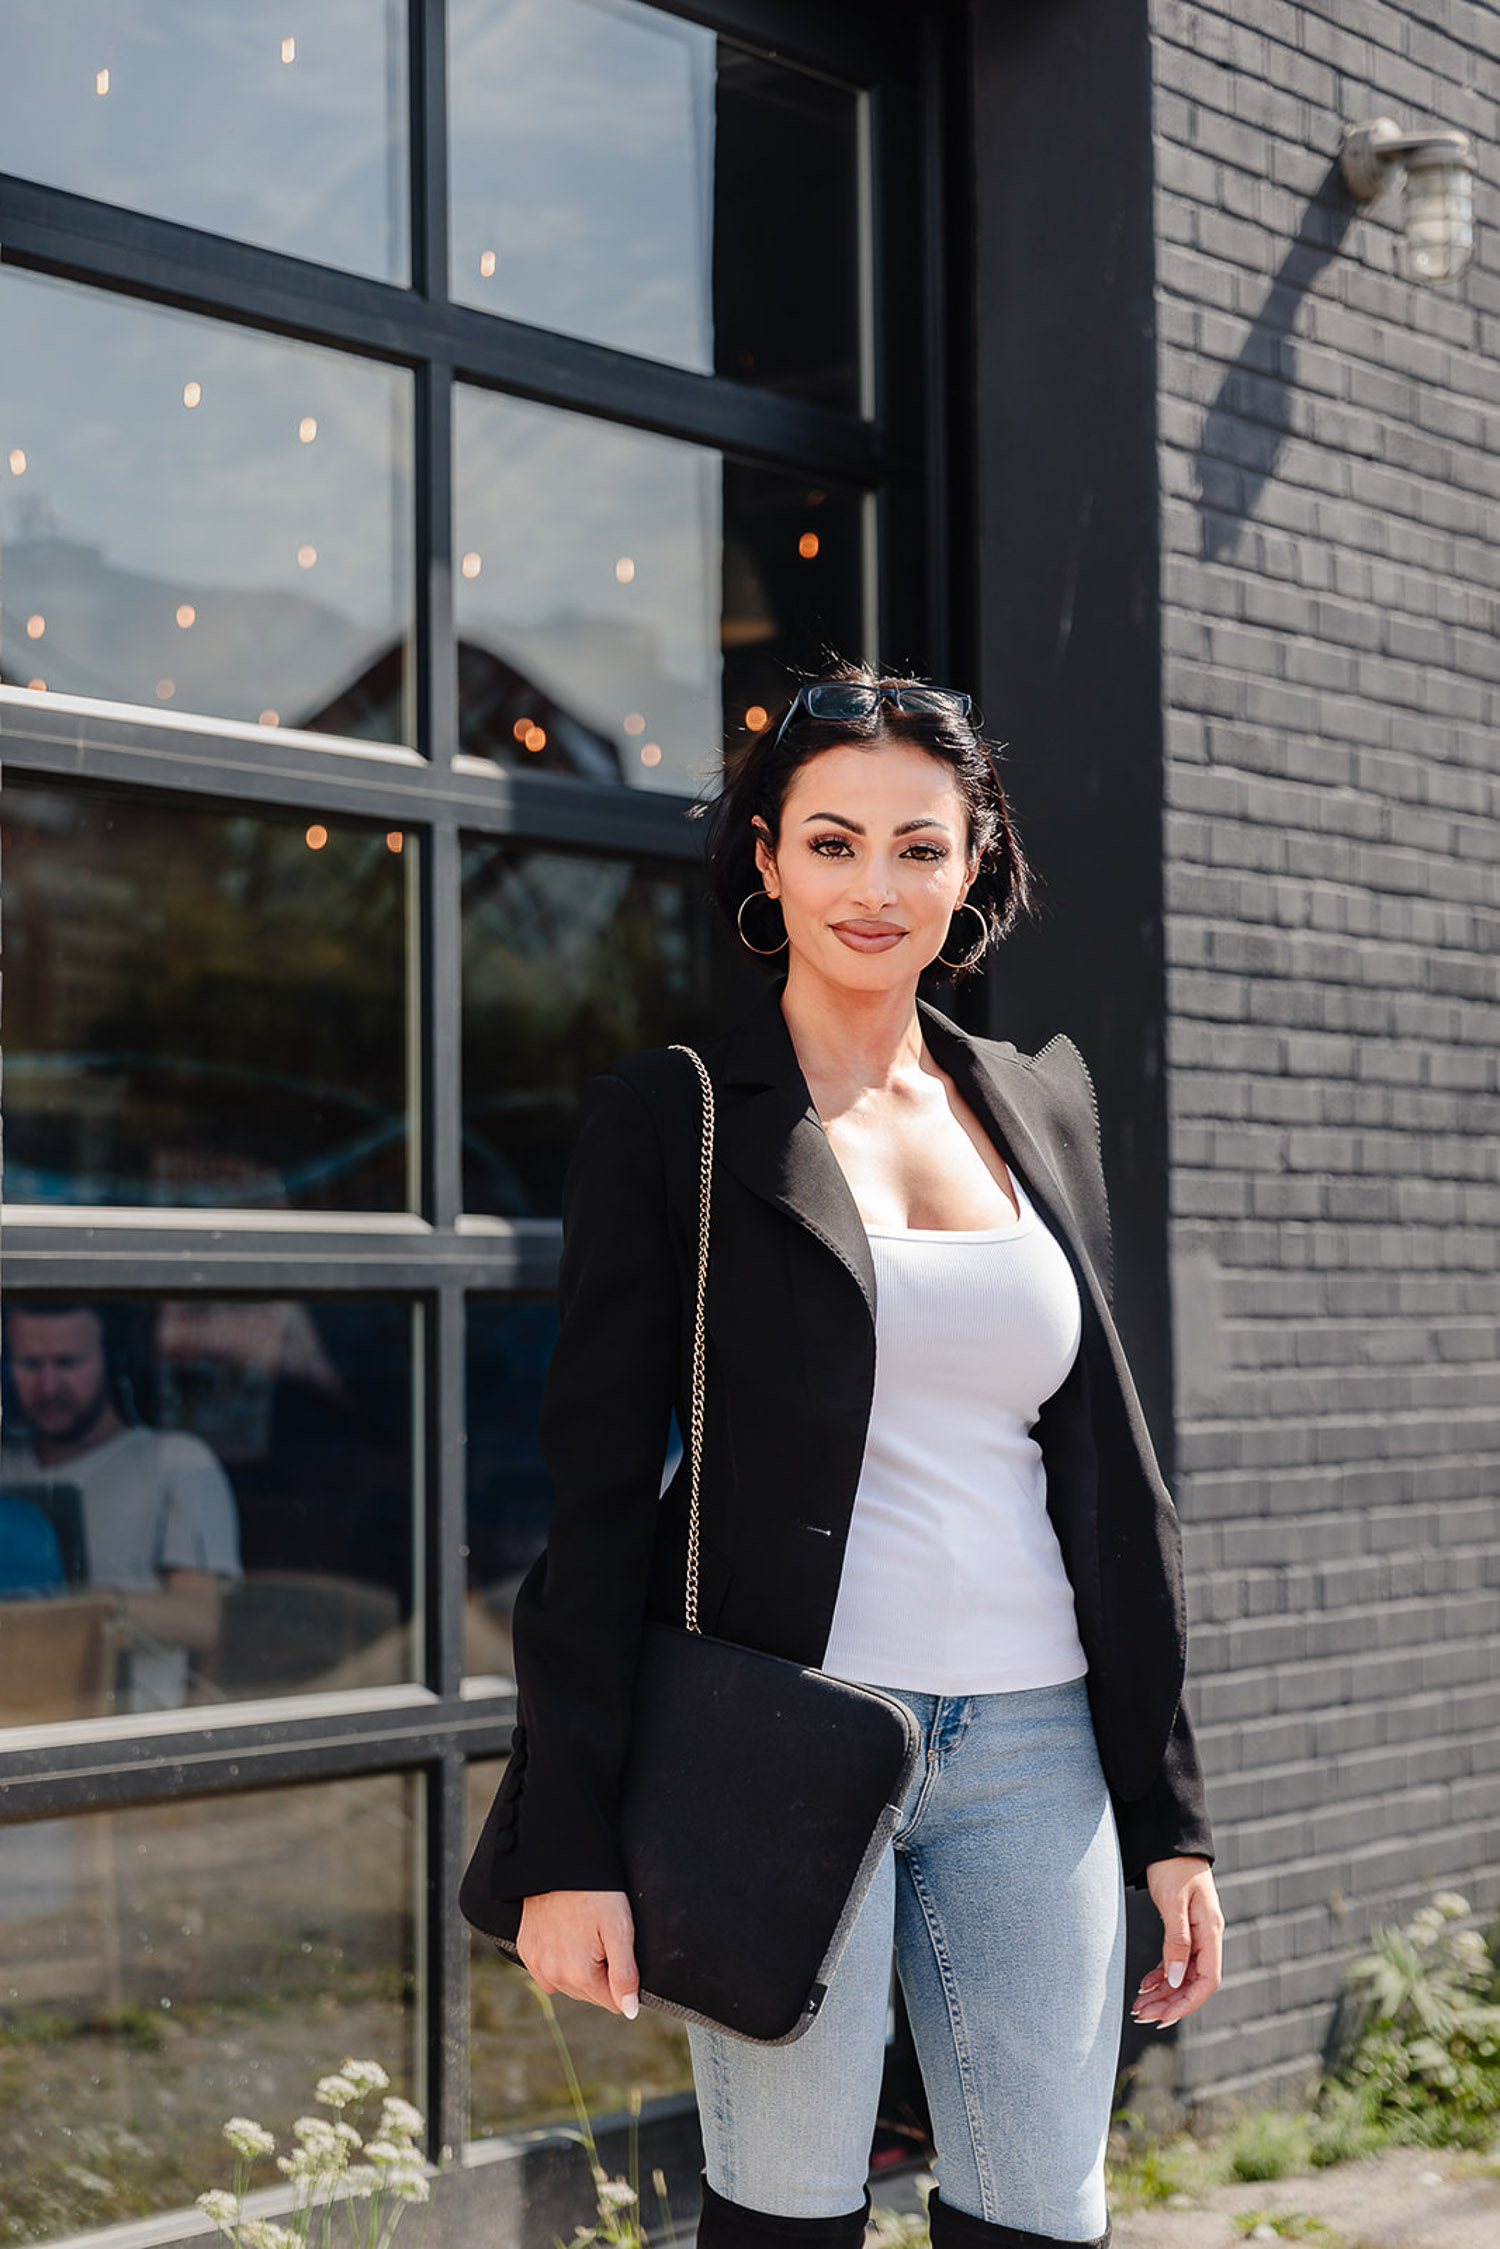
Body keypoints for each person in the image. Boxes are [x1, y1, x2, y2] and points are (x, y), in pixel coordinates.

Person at [485, 667, 1224, 2249]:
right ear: (766, 859)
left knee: (1043, 2215)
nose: (873, 888)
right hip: (783, 1751)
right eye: (830, 842)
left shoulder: (1042, 1106)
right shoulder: (676, 1118)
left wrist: (1171, 1817)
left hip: (1040, 1755)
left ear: (975, 864)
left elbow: (1113, 1485)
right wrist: (573, 1844)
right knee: (790, 2216)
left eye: (916, 846)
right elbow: (599, 1506)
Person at [1, 1304, 242, 1710]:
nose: (47, 1385)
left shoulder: (173, 1461)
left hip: (125, 1728)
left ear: (112, 1360)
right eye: (29, 1364)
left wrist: (72, 1604)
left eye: (67, 1363)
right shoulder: (6, 1467)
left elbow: (200, 1621)